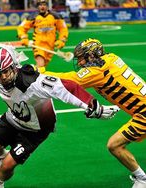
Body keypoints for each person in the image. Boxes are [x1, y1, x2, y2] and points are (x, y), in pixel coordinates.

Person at [0, 46, 118, 188]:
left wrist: (93, 106)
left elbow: (67, 87)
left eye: (6, 71)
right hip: (14, 117)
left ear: (13, 67)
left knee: (8, 166)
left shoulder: (33, 83)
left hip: (36, 130)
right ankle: (2, 156)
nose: (3, 77)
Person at [40, 38, 146, 188]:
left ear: (92, 55)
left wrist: (39, 73)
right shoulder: (111, 58)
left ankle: (142, 178)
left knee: (114, 145)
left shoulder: (97, 70)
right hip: (141, 110)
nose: (80, 63)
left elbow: (69, 81)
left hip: (144, 114)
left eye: (82, 58)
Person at [17, 0, 68, 69]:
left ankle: (32, 73)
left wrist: (62, 40)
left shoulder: (56, 16)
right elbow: (21, 28)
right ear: (37, 6)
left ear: (47, 6)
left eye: (44, 5)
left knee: (42, 67)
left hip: (50, 46)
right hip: (38, 45)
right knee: (40, 65)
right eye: (40, 5)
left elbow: (63, 29)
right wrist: (24, 38)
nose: (42, 7)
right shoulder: (33, 17)